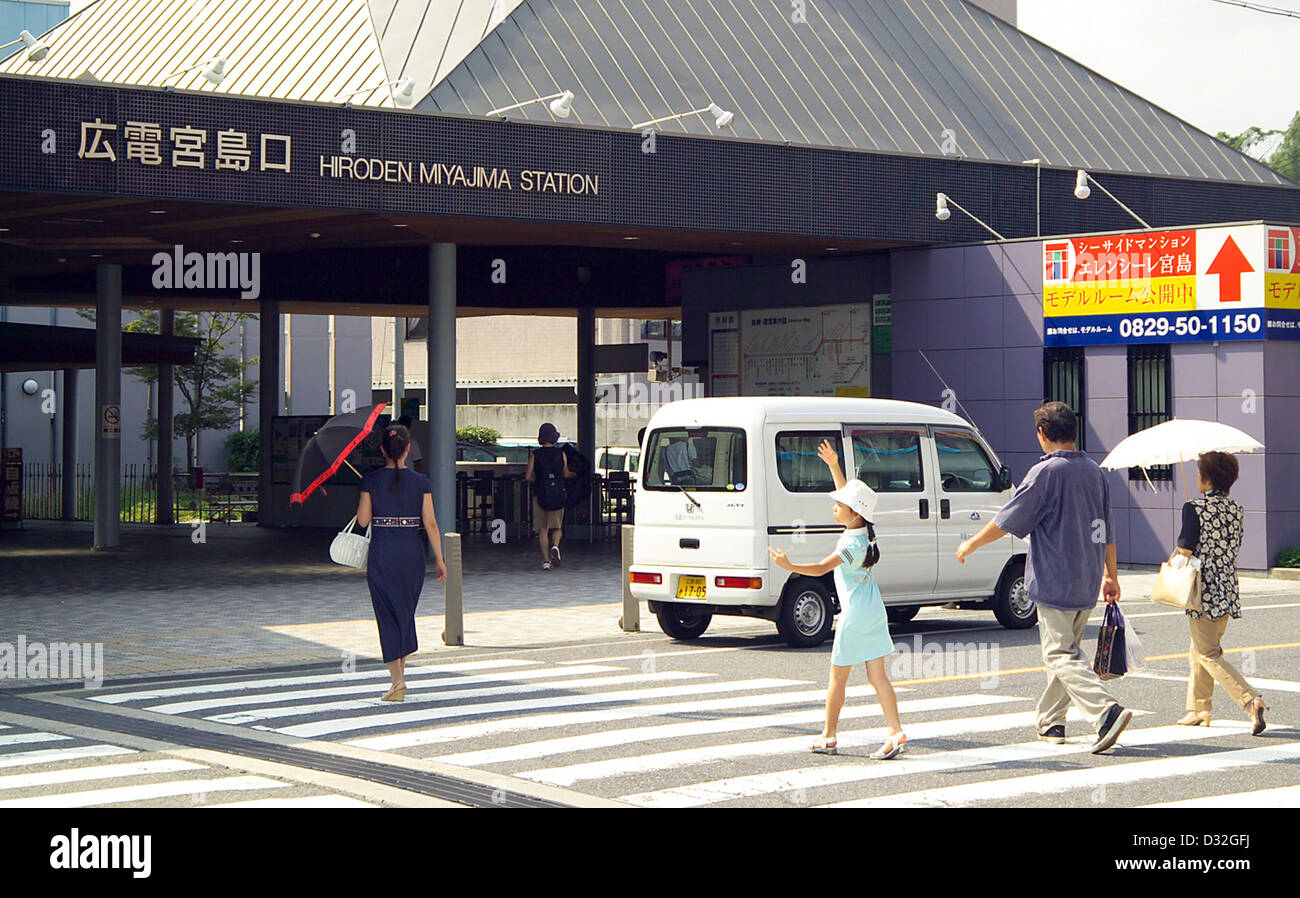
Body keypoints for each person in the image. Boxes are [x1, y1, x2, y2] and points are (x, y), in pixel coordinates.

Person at [956, 401, 1132, 754]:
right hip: (1087, 581)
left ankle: (1106, 712)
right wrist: (1110, 576)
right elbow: (1109, 531)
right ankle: (1051, 722)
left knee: (1060, 656)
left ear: (1042, 434)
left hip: (1054, 580)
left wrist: (972, 542)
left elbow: (1008, 518)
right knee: (1066, 654)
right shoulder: (1095, 472)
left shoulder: (1044, 474)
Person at [769, 439, 906, 760]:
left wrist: (789, 566)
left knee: (837, 679)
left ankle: (828, 736)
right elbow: (850, 499)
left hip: (855, 615)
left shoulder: (849, 544)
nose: (834, 506)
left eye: (838, 505)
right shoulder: (864, 532)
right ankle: (895, 731)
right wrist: (833, 466)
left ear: (854, 512)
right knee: (877, 677)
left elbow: (820, 567)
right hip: (873, 610)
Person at [1174, 451, 1267, 733]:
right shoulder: (1236, 508)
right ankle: (1199, 708)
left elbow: (1186, 549)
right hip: (1227, 586)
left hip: (1202, 590)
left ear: (1206, 478)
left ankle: (1251, 701)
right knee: (1201, 649)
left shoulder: (1193, 507)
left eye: (1200, 472)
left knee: (1208, 653)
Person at [355, 424, 447, 701]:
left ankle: (397, 682)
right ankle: (399, 680)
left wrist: (369, 490)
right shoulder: (422, 482)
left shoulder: (370, 480)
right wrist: (440, 560)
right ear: (408, 449)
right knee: (404, 615)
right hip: (412, 553)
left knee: (387, 616)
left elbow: (362, 521)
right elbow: (430, 523)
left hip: (383, 552)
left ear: (382, 449)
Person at [525, 422, 574, 570]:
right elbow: (565, 474)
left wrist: (537, 480)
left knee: (543, 530)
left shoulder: (535, 454)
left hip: (540, 496)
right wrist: (573, 475)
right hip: (558, 494)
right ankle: (555, 546)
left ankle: (546, 561)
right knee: (557, 527)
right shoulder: (561, 454)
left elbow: (527, 476)